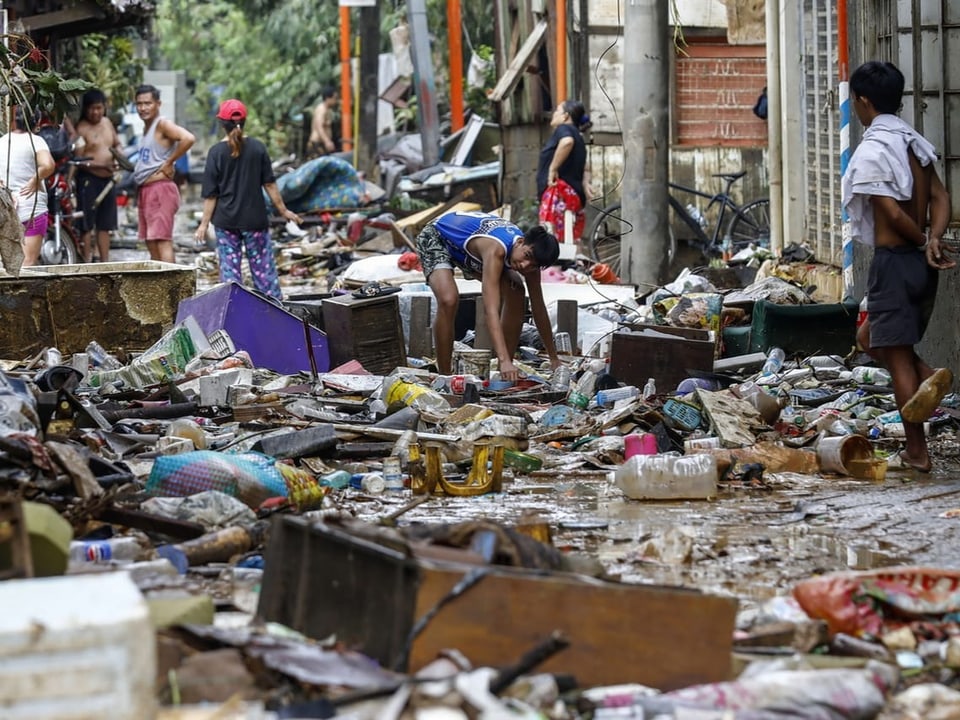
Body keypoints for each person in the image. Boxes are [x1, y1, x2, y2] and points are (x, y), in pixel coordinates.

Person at [843, 60, 954, 472]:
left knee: (897, 356)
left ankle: (917, 452)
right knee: (871, 337)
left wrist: (925, 240)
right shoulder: (914, 143)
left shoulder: (874, 150)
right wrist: (935, 237)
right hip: (919, 262)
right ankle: (929, 377)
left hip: (896, 261)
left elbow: (890, 213)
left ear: (863, 101)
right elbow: (941, 197)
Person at [415, 210, 562, 381]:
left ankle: (505, 371)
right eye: (526, 256)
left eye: (533, 265)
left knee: (516, 291)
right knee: (449, 299)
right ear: (521, 242)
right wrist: (503, 359)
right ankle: (445, 376)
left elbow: (539, 307)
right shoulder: (496, 251)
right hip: (439, 236)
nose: (524, 265)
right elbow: (490, 309)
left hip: (469, 252)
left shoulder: (531, 262)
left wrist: (554, 358)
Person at [194, 99, 302, 301]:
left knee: (230, 274)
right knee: (264, 273)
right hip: (255, 220)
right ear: (244, 121)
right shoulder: (258, 148)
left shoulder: (216, 152)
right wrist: (283, 210)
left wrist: (204, 224)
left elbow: (211, 195)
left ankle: (233, 313)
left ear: (221, 123)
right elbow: (269, 184)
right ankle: (274, 314)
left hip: (226, 222)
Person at [133, 84, 195, 263]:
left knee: (162, 240)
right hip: (147, 190)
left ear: (158, 104)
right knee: (150, 240)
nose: (143, 108)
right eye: (139, 104)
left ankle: (170, 288)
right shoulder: (147, 129)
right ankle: (159, 287)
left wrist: (169, 161)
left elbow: (188, 138)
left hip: (160, 190)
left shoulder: (162, 124)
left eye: (147, 103)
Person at [0, 107, 55, 267]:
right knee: (27, 263)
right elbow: (48, 165)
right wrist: (34, 180)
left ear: (13, 121)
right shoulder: (36, 141)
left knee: (5, 264)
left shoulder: (2, 142)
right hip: (31, 210)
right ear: (37, 123)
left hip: (5, 209)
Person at [75, 89, 124, 262]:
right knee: (87, 225)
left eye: (99, 108)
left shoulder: (107, 122)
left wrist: (119, 156)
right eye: (92, 108)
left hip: (108, 181)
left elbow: (117, 144)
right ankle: (87, 261)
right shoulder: (81, 129)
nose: (95, 112)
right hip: (89, 181)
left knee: (105, 224)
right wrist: (101, 164)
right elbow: (78, 160)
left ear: (104, 108)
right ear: (86, 109)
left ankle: (105, 262)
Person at [536, 100, 591, 244]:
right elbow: (585, 165)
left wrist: (552, 169)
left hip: (560, 193)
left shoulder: (564, 129)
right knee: (568, 240)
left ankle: (555, 266)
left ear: (566, 116)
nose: (553, 114)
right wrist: (586, 183)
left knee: (551, 240)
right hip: (573, 195)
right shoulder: (578, 135)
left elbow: (567, 142)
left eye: (557, 111)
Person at [307, 87, 339, 159]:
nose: (336, 101)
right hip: (317, 144)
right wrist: (327, 141)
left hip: (321, 144)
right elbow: (319, 126)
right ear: (328, 98)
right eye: (334, 98)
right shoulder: (322, 109)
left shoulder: (327, 110)